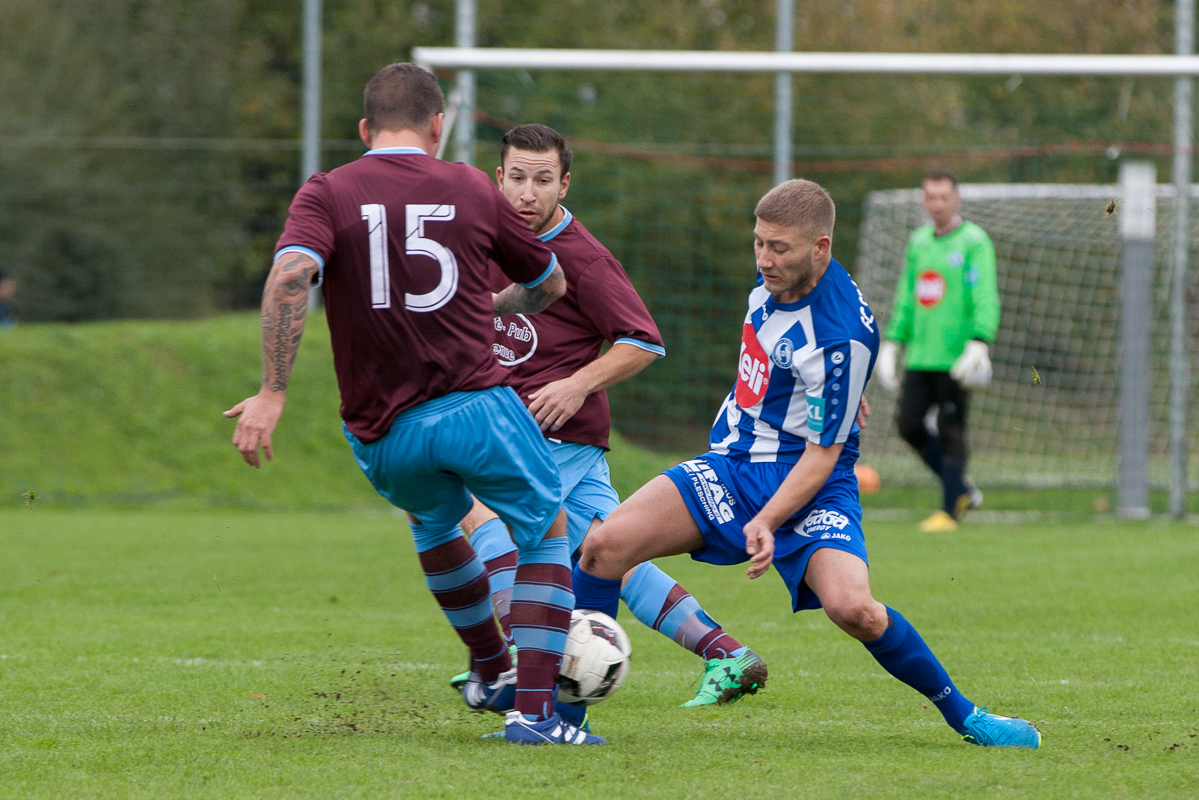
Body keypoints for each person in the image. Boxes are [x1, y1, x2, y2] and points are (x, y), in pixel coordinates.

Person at [569, 179, 1041, 749]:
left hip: (811, 483)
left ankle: (968, 717)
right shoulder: (776, 284)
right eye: (758, 243)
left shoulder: (841, 336)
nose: (764, 259)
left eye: (779, 248)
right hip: (733, 465)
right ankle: (566, 722)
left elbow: (823, 454)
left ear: (820, 247)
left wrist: (768, 519)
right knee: (604, 546)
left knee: (855, 610)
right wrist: (834, 398)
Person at [224, 63, 603, 746]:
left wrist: (273, 392)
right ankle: (535, 717)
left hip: (381, 432)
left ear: (364, 129)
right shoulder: (469, 185)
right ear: (437, 126)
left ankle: (490, 668)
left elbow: (290, 276)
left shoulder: (326, 190)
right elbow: (550, 283)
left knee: (432, 520)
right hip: (474, 408)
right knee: (545, 528)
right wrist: (494, 306)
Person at [447, 123, 766, 708]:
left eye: (543, 180)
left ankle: (516, 661)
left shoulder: (585, 260)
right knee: (605, 552)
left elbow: (643, 341)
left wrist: (576, 384)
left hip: (553, 435)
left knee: (471, 509)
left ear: (564, 184)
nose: (527, 193)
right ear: (499, 178)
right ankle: (726, 653)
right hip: (518, 430)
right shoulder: (484, 242)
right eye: (517, 178)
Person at [875, 170, 999, 533]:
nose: (938, 204)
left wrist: (980, 340)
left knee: (951, 428)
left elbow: (985, 294)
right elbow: (907, 295)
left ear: (956, 199)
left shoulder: (974, 241)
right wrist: (892, 341)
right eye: (931, 197)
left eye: (944, 197)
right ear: (923, 200)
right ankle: (960, 488)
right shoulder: (918, 242)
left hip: (957, 357)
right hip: (921, 354)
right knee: (908, 424)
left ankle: (950, 510)